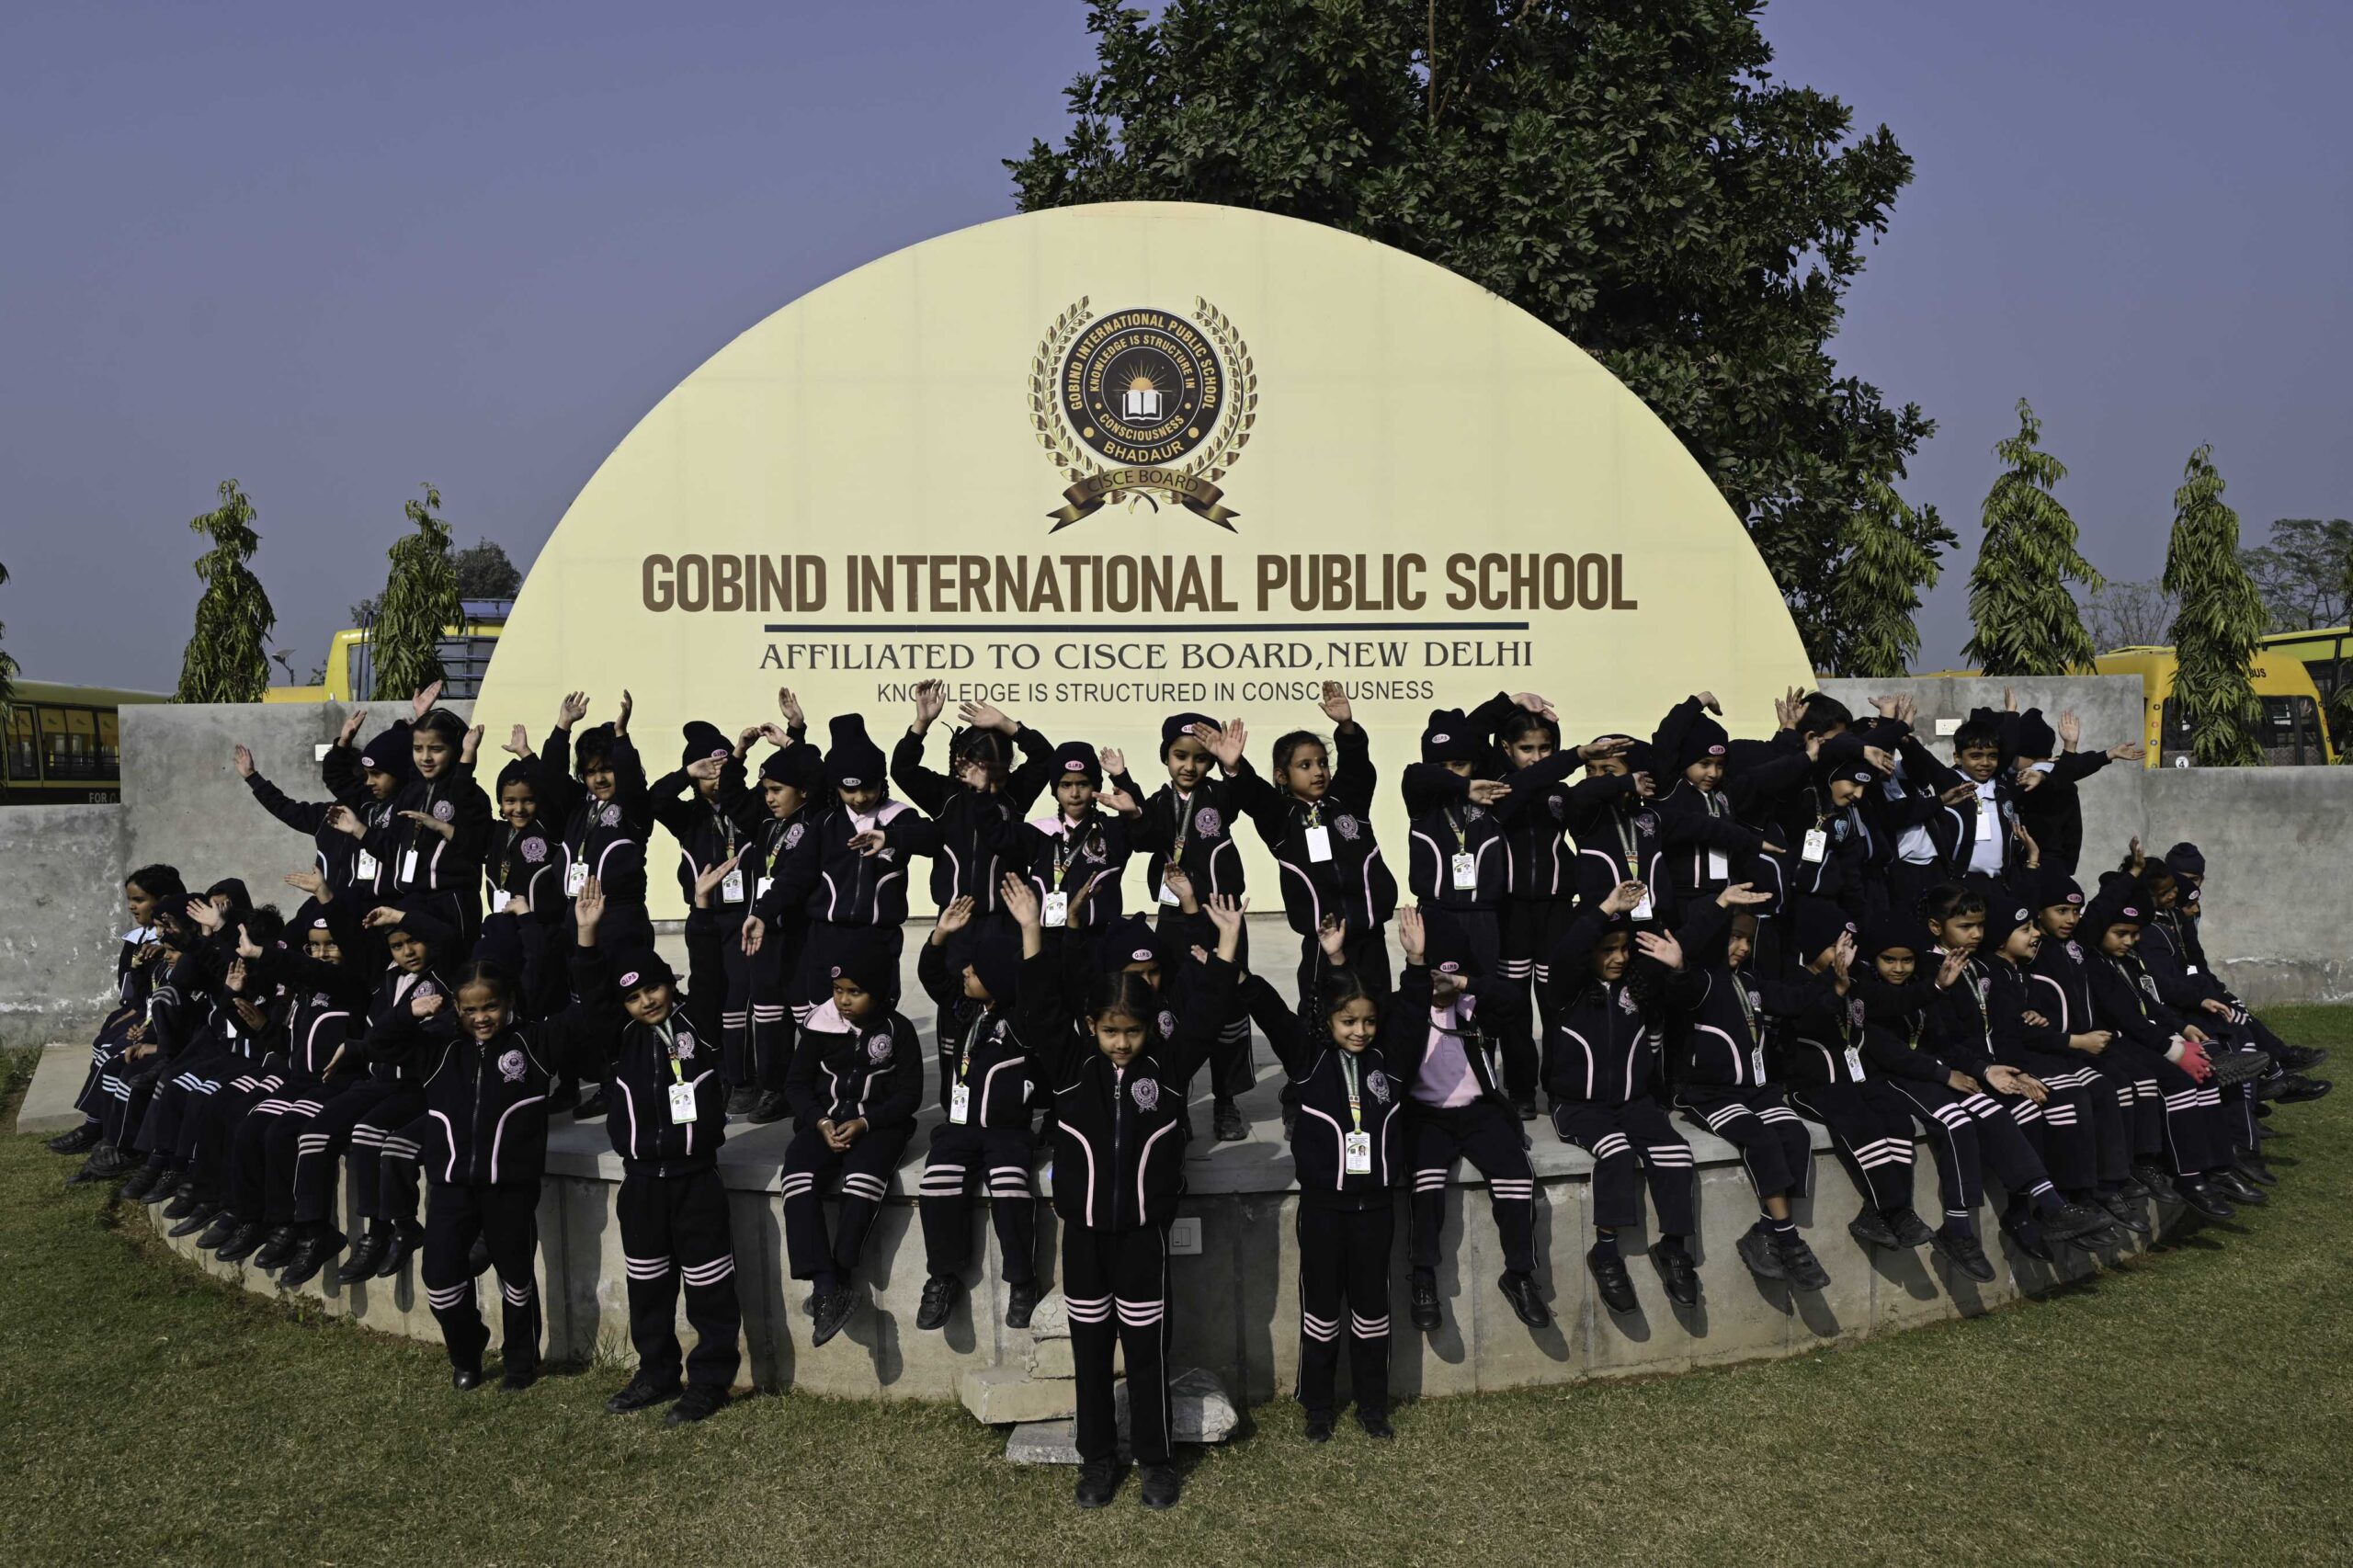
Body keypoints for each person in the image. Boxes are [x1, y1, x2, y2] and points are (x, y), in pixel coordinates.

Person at [1006, 872, 1243, 1511]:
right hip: (1084, 1241)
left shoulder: (1167, 1071)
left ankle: (1156, 1462)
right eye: (1110, 1031)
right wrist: (1031, 931)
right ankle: (1097, 1460)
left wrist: (1227, 944)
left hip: (1143, 1241)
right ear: (1092, 1026)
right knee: (1090, 1357)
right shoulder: (1070, 1069)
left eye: (1132, 1032)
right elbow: (1039, 1007)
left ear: (1148, 1030)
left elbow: (1208, 1016)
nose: (1120, 1044)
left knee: (1145, 1355)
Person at [563, 871, 744, 1424]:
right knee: (648, 1286)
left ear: (671, 984)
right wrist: (586, 937)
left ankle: (710, 1381)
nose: (647, 1001)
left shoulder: (700, 1026)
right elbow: (593, 999)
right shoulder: (619, 1040)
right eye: (634, 997)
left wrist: (703, 908)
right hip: (641, 1184)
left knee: (710, 1286)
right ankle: (656, 1373)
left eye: (654, 989)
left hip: (696, 1182)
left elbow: (711, 971)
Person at [1242, 914, 1404, 1441]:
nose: (1360, 1031)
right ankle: (1317, 1406)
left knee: (1372, 1312)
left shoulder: (1389, 1061)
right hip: (1323, 1212)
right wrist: (1236, 971)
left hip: (1375, 1209)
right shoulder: (1309, 1061)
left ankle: (1372, 1405)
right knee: (1321, 1313)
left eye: (1368, 1022)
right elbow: (1272, 1013)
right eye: (1347, 1021)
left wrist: (1352, 959)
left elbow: (1409, 1010)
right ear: (1328, 1020)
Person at [1543, 882, 1703, 1312]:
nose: (1619, 957)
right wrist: (1607, 907)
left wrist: (1681, 963)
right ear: (1590, 953)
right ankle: (1606, 1252)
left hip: (1635, 1104)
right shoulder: (1566, 991)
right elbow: (1566, 952)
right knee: (1615, 1153)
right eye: (1607, 950)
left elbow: (1683, 965)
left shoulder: (1637, 987)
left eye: (1624, 948)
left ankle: (1673, 1247)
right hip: (1579, 1107)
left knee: (1676, 1153)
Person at [1107, 713, 1261, 1142]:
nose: (1189, 766)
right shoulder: (1158, 802)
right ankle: (1175, 1096)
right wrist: (1125, 788)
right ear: (1166, 757)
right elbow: (1145, 838)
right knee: (1173, 1007)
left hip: (1223, 915)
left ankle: (1226, 1099)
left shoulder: (1219, 796)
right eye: (1180, 756)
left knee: (1229, 1005)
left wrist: (1232, 765)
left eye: (1200, 758)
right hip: (1174, 919)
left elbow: (1243, 794)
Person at [1399, 906, 1548, 1332]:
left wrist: (1465, 984)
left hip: (1480, 1111)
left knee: (1516, 1176)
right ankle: (1423, 1275)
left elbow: (1514, 999)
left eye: (1452, 974)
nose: (1442, 985)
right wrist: (1418, 969)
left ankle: (1519, 1274)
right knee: (1426, 1182)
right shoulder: (1407, 1009)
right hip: (1427, 1116)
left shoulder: (1475, 1007)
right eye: (1437, 975)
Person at [779, 928, 925, 1346]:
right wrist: (820, 1122)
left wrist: (865, 1122)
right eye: (838, 990)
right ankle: (825, 1284)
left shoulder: (898, 1031)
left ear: (878, 992)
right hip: (823, 1125)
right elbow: (796, 1086)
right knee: (797, 1179)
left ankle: (839, 1275)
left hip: (877, 1128)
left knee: (862, 1184)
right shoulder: (819, 1025)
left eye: (855, 992)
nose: (843, 1000)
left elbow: (909, 1095)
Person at [912, 896, 1040, 1332]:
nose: (965, 972)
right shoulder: (964, 1009)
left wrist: (1030, 930)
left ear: (999, 979)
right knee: (937, 1184)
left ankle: (1022, 1280)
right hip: (959, 1130)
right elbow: (932, 975)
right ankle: (942, 1275)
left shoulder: (1022, 1019)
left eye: (975, 969)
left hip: (1007, 1133)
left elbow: (1035, 981)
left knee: (1009, 1188)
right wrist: (940, 935)